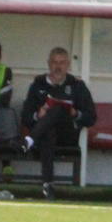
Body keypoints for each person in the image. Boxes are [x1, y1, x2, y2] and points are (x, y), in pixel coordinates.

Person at [19, 47, 97, 200]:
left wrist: (75, 113)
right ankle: (48, 185)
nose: (58, 67)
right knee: (49, 130)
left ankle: (28, 141)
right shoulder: (38, 85)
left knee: (58, 109)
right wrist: (37, 115)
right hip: (44, 136)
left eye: (62, 63)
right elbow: (26, 117)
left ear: (68, 64)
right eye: (54, 62)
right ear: (48, 64)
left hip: (67, 135)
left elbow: (91, 117)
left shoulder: (77, 86)